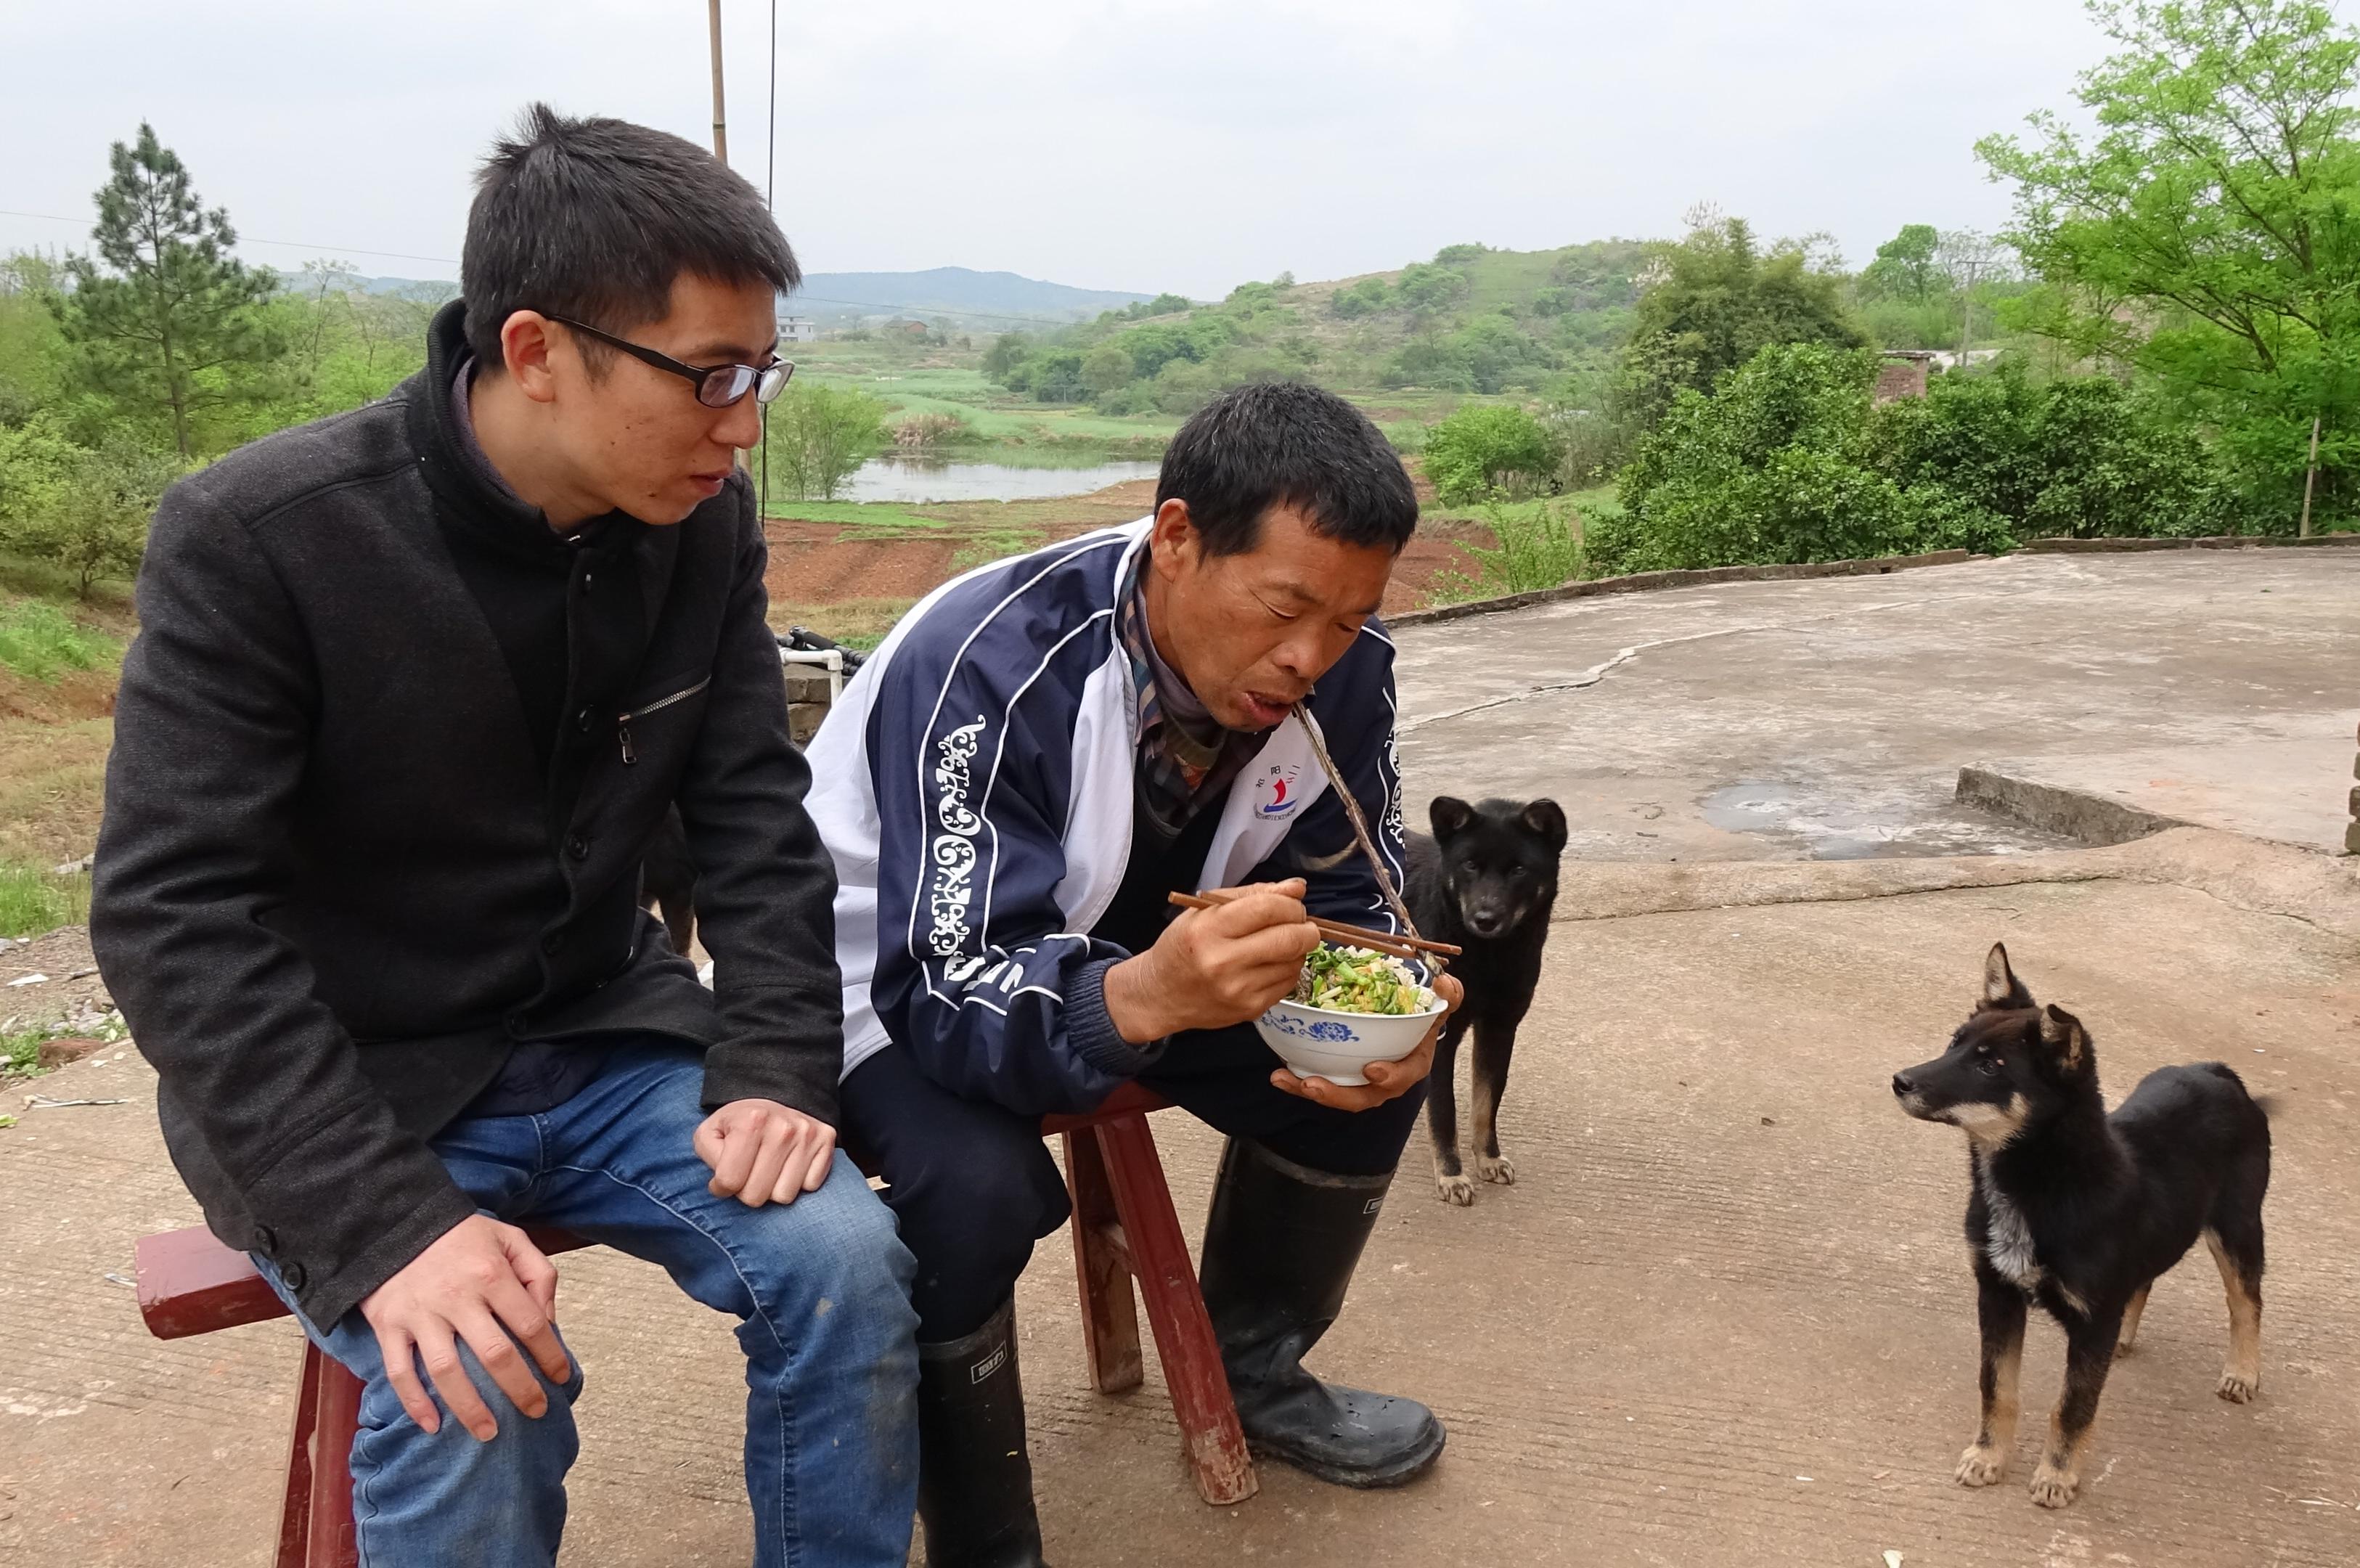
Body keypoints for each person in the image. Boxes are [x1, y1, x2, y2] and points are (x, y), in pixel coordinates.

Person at [89, 105, 918, 1567]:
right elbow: (174, 918)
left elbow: (746, 809)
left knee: (846, 1261)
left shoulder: (699, 524)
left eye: (762, 371)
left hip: (601, 1034)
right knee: (473, 1371)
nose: (745, 423)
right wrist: (383, 1226)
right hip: (357, 1084)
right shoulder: (266, 538)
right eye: (710, 376)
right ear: (536, 351)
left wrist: (779, 1057)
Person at [806, 381, 1459, 1565]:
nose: (1309, 658)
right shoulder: (992, 662)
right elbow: (947, 980)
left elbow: (1359, 895)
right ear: (1173, 539)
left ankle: (1260, 1370)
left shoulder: (1347, 676)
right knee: (976, 1188)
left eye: (1349, 619)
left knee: (1390, 1051)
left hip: (1126, 958)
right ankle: (984, 1535)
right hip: (890, 978)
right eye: (1284, 608)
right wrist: (1139, 998)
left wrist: (1393, 992)